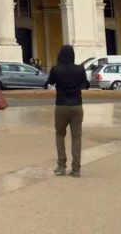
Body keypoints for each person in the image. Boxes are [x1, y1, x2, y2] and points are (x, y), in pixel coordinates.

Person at [46, 44, 90, 177]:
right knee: (76, 137)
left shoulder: (56, 69)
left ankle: (61, 165)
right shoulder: (80, 69)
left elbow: (50, 82)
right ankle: (76, 168)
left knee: (60, 135)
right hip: (76, 105)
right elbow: (85, 84)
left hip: (61, 105)